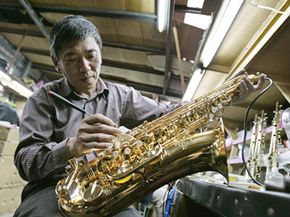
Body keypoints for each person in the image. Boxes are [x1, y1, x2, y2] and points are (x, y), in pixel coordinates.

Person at [13, 15, 265, 217]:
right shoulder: (42, 99)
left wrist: (226, 94)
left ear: (101, 53)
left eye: (91, 56)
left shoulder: (120, 95)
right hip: (50, 191)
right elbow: (25, 162)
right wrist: (70, 147)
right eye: (71, 59)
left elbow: (169, 114)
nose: (85, 67)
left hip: (102, 191)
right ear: (56, 63)